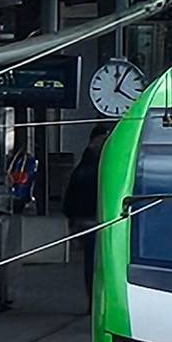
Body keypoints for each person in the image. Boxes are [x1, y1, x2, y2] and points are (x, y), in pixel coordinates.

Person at [65, 127, 108, 310]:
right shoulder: (101, 165)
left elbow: (71, 196)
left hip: (88, 219)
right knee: (98, 263)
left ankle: (94, 302)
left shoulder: (84, 165)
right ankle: (97, 302)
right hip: (96, 220)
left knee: (92, 263)